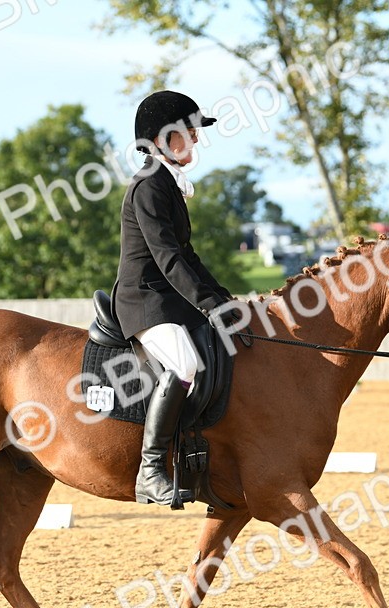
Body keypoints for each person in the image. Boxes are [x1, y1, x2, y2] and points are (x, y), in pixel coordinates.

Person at [111, 90, 237, 506]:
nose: (196, 138)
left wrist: (222, 297)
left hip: (168, 300)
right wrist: (206, 303)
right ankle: (150, 470)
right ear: (162, 139)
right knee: (185, 363)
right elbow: (167, 258)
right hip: (145, 301)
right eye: (189, 131)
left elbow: (189, 256)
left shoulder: (167, 183)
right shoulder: (149, 186)